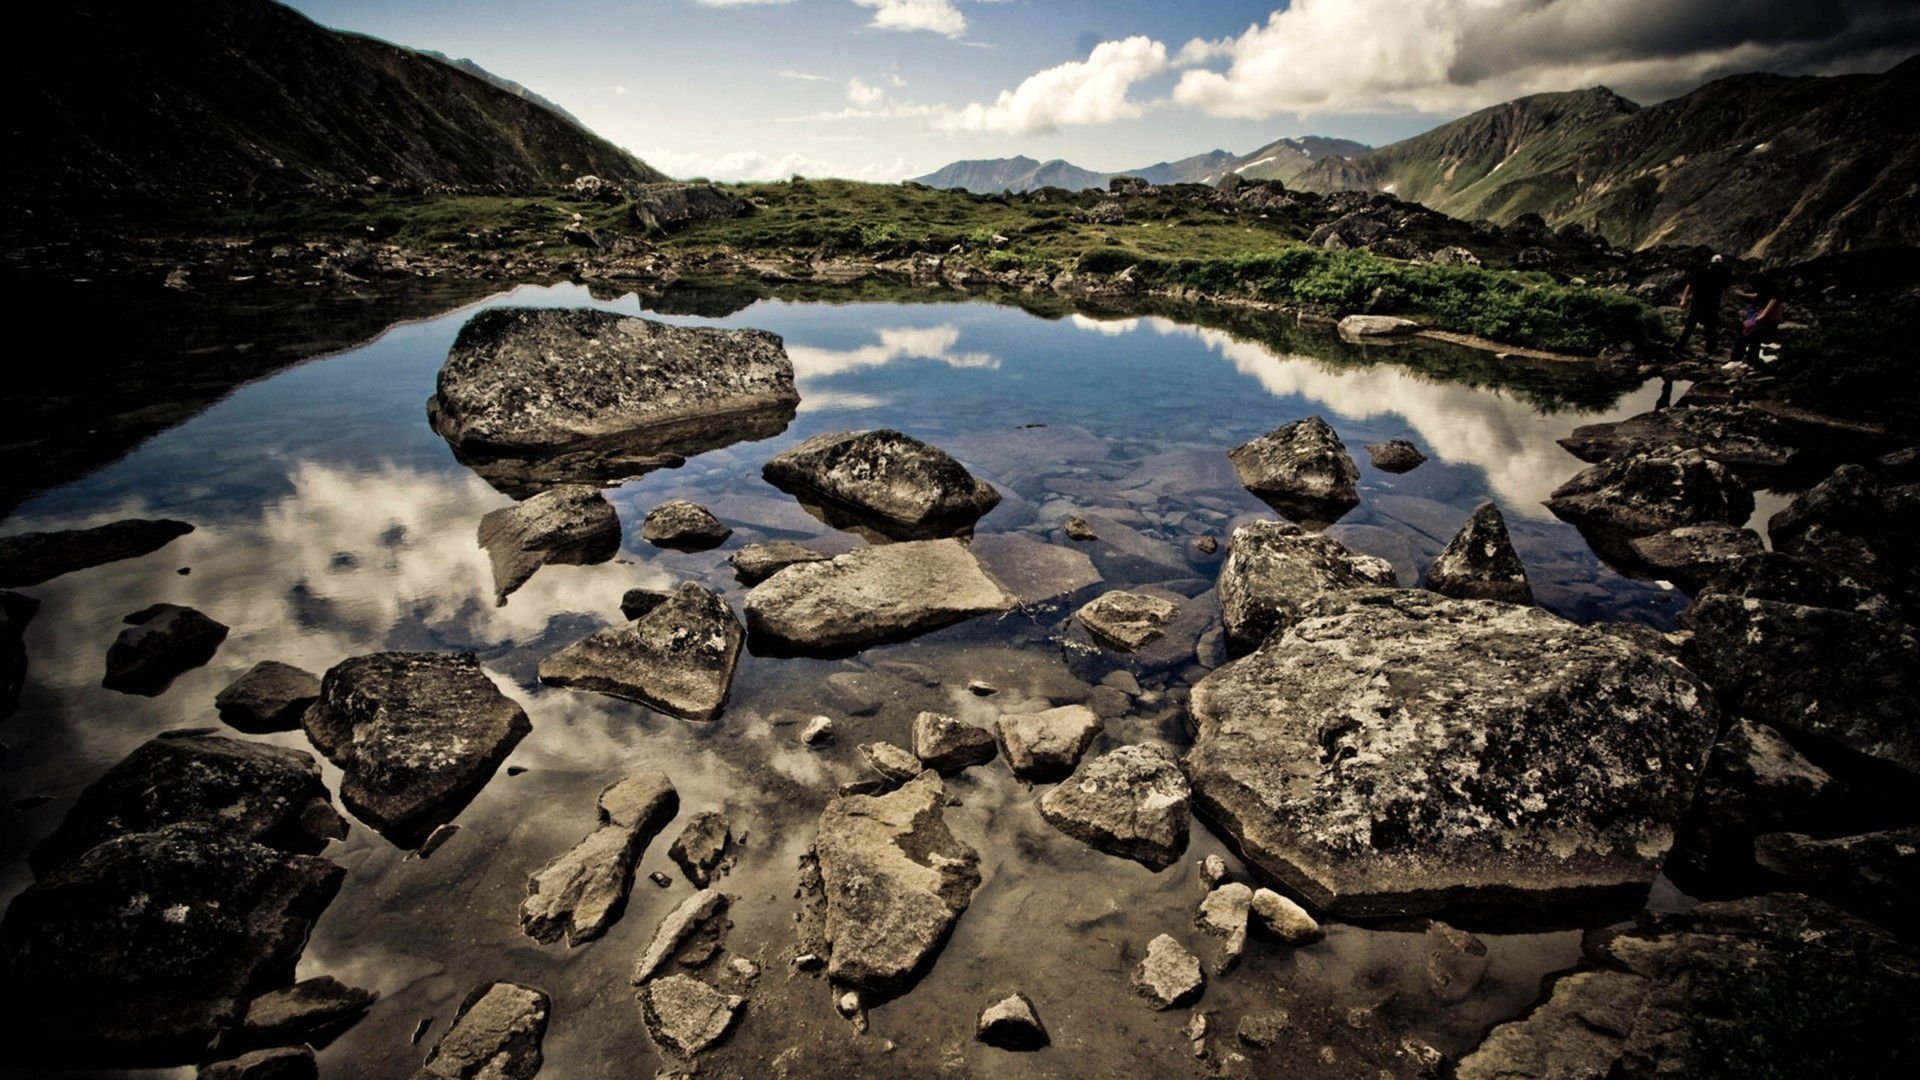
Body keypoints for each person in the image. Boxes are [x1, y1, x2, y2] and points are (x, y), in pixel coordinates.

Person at [1675, 253, 1732, 352]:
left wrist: (1724, 301)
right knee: (1692, 324)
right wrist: (1684, 299)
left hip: (1711, 302)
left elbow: (1726, 288)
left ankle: (1710, 349)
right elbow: (1690, 284)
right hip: (1700, 301)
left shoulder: (1723, 272)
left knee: (1710, 326)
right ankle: (1681, 345)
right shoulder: (1703, 270)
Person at [1730, 273, 1785, 365]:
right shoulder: (1765, 289)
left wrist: (1761, 316)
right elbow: (1758, 296)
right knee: (1755, 339)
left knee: (1745, 335)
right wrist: (1743, 294)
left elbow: (1772, 302)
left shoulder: (1770, 291)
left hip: (1763, 317)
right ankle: (1752, 361)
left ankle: (1736, 359)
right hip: (1760, 315)